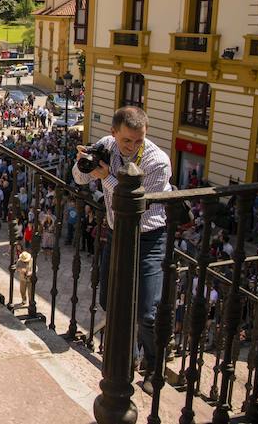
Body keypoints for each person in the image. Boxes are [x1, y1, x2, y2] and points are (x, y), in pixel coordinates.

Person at [72, 106, 172, 395]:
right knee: (109, 300)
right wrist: (84, 162)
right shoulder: (106, 146)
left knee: (146, 311)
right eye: (127, 140)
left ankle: (155, 367)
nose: (132, 146)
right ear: (114, 133)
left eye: (138, 140)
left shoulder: (157, 162)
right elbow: (79, 179)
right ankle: (127, 360)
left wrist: (106, 177)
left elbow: (137, 205)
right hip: (116, 235)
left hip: (149, 238)